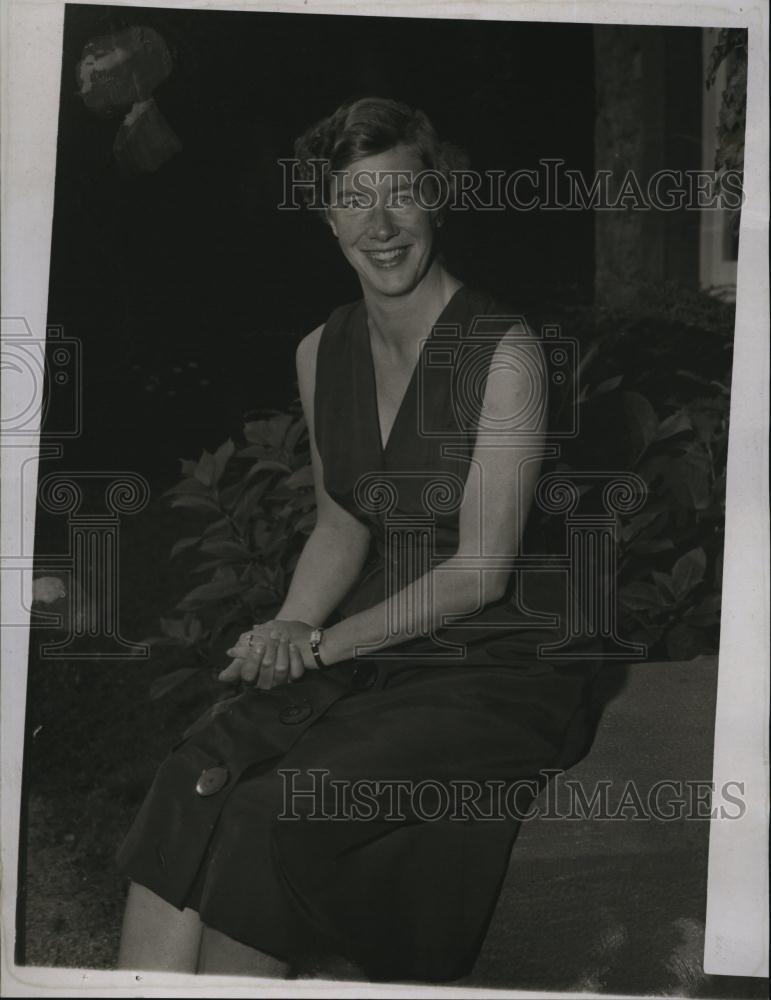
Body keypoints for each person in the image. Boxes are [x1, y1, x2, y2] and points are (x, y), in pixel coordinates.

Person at [116, 96, 601, 983]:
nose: (380, 226)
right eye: (353, 198)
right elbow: (341, 520)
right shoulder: (318, 350)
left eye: (400, 195)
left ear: (438, 200)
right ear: (324, 213)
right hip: (376, 631)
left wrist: (322, 644)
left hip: (490, 659)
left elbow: (481, 572)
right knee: (198, 768)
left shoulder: (506, 353)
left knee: (273, 809)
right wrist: (286, 626)